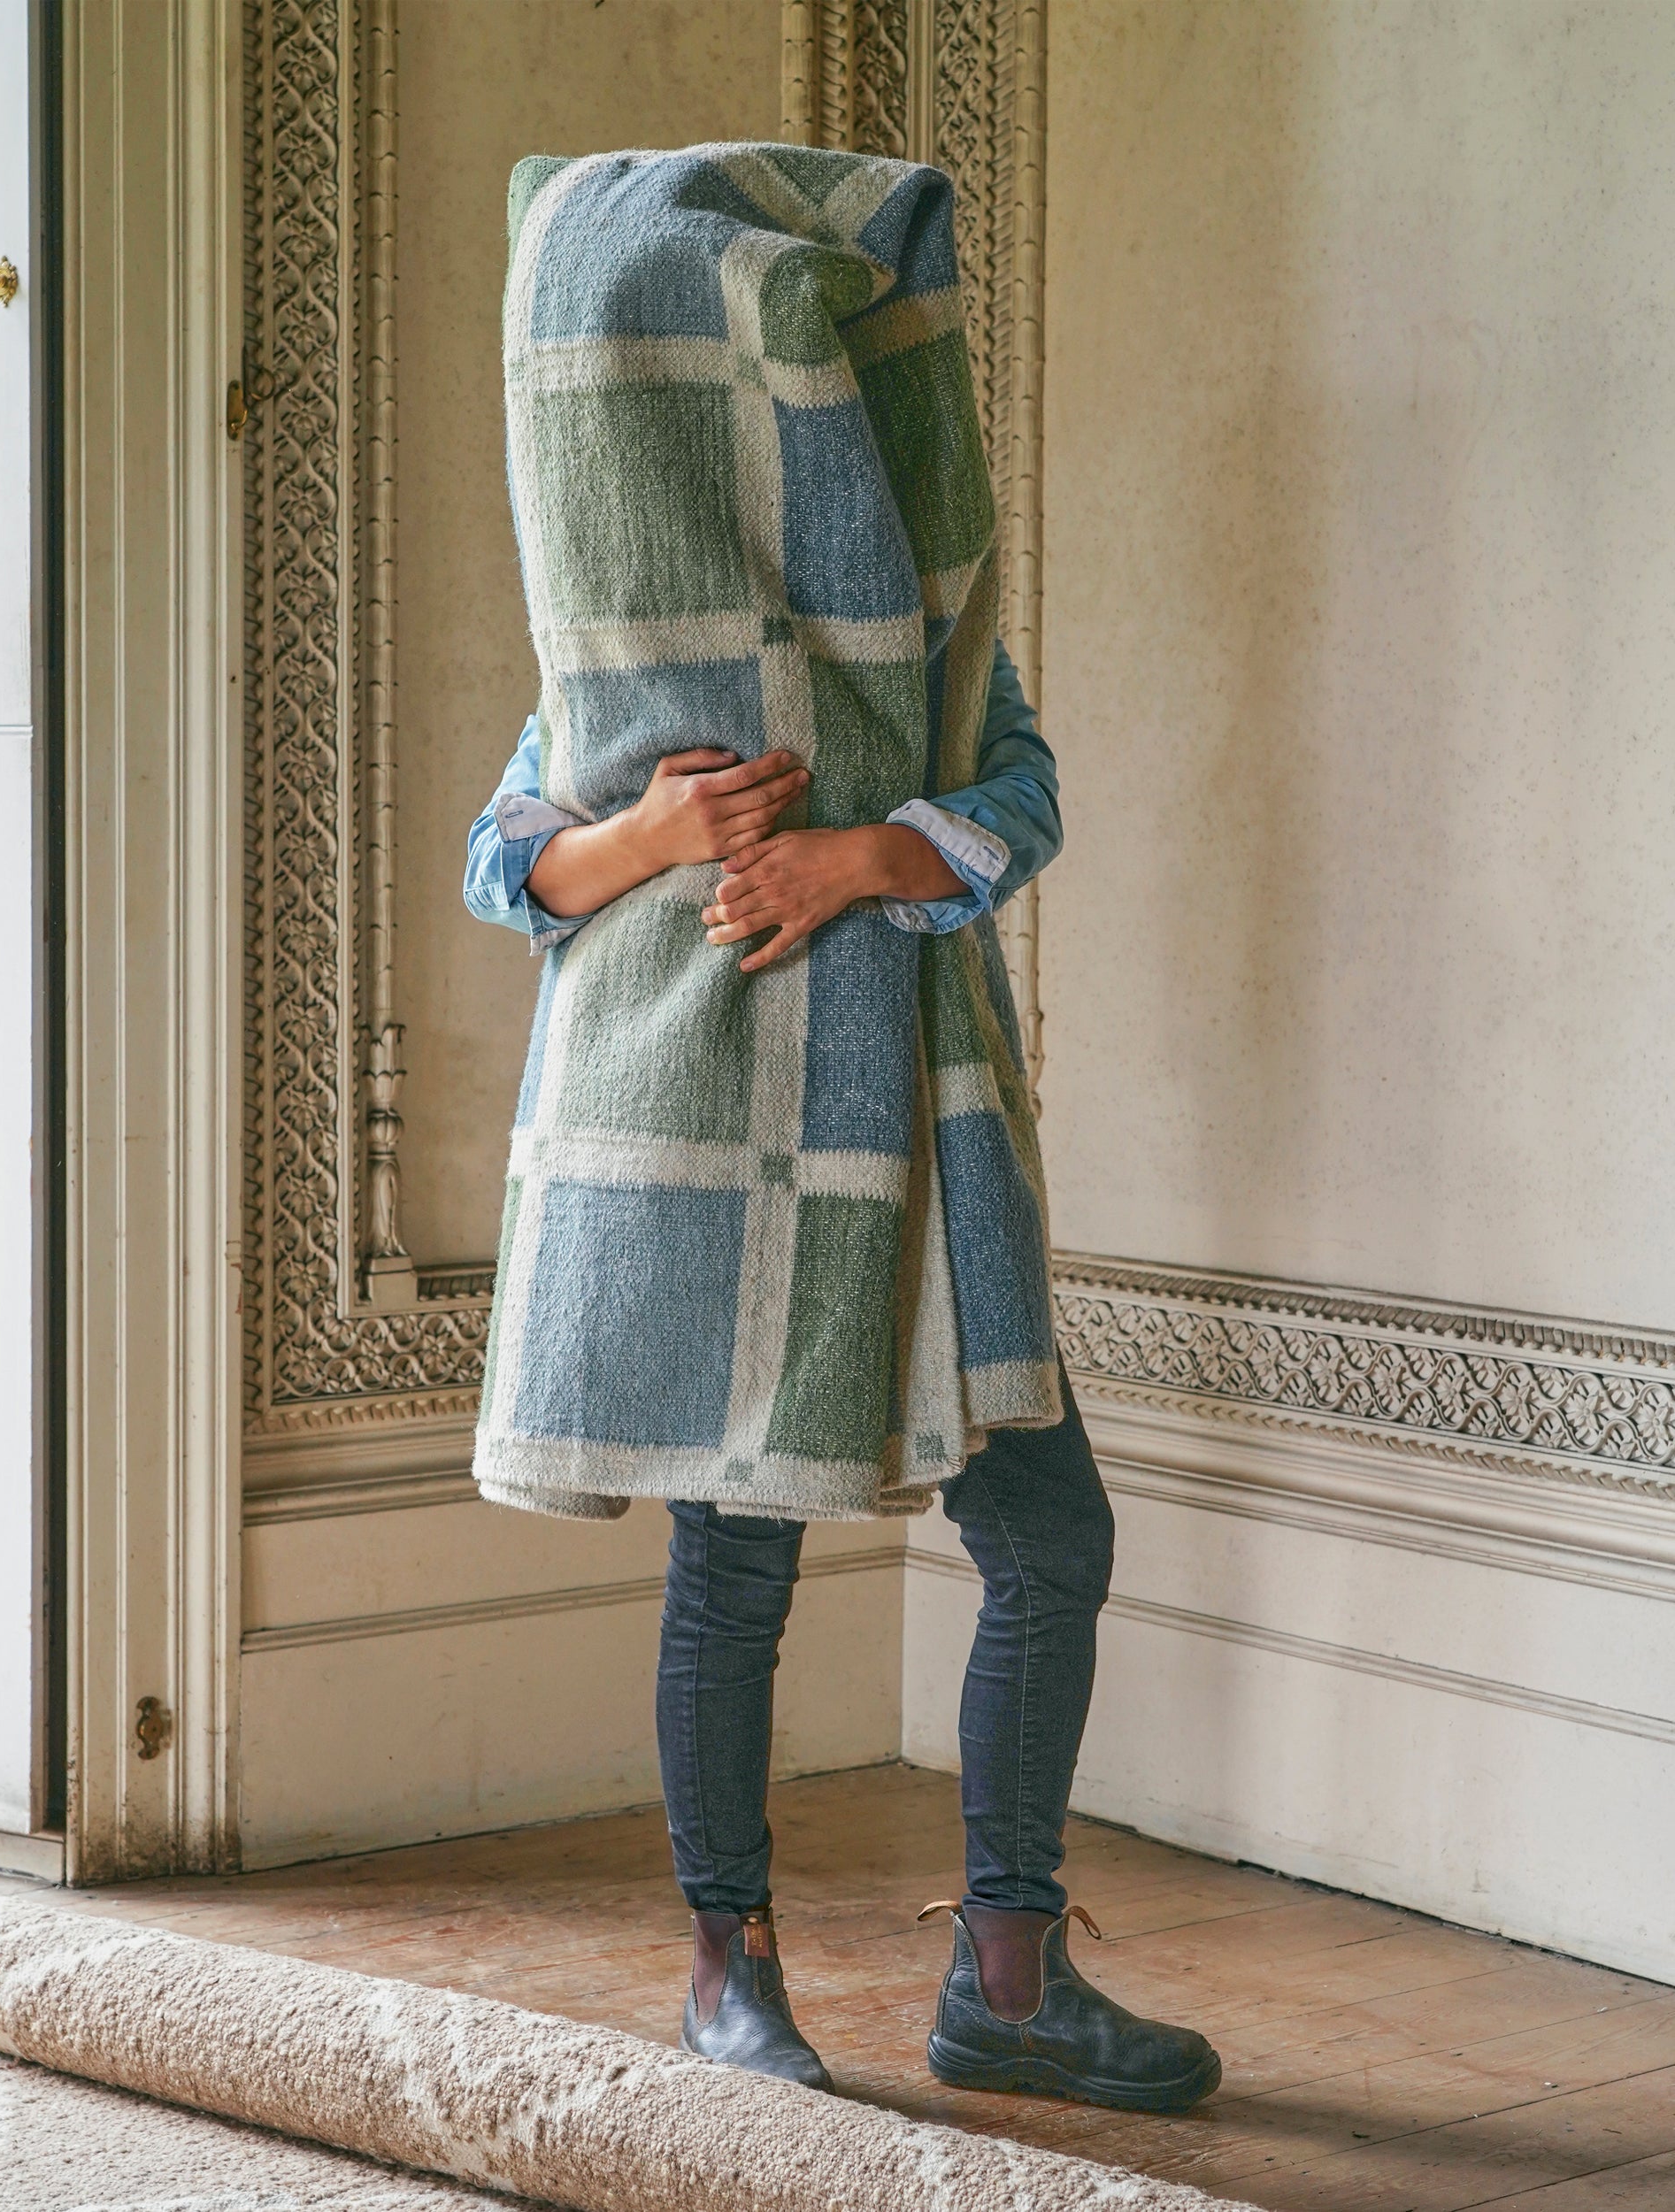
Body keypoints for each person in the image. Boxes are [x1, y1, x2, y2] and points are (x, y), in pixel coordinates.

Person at [464, 643, 1223, 2114]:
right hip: (731, 1147)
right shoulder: (643, 634)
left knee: (1053, 1538)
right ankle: (728, 1972)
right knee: (737, 1557)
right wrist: (652, 837)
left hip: (933, 1139)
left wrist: (856, 860)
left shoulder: (929, 617)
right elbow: (508, 863)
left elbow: (1025, 795)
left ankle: (1012, 1986)